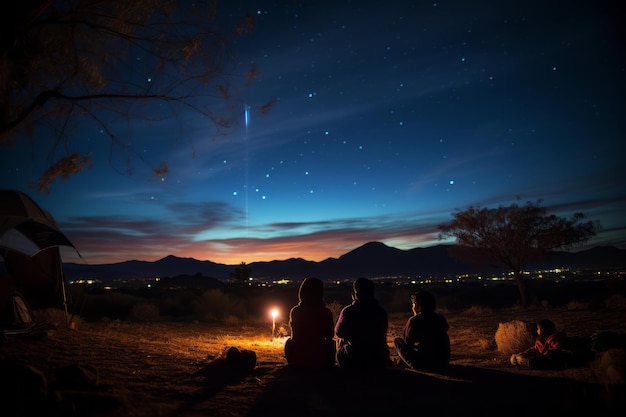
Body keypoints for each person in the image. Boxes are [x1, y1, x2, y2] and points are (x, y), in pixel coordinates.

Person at [334, 278, 390, 369]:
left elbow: (338, 332)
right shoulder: (381, 312)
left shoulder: (348, 311)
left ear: (355, 294)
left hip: (353, 359)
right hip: (378, 359)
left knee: (340, 339)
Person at [284, 278, 336, 368]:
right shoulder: (325, 312)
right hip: (320, 358)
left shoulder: (296, 311)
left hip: (298, 358)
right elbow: (330, 335)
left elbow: (295, 335)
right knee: (331, 343)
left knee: (288, 340)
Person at [393, 290, 450, 371]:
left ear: (417, 305)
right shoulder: (440, 318)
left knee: (397, 341)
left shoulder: (414, 320)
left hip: (423, 364)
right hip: (442, 363)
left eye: (413, 304)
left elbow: (407, 341)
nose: (412, 307)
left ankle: (402, 363)